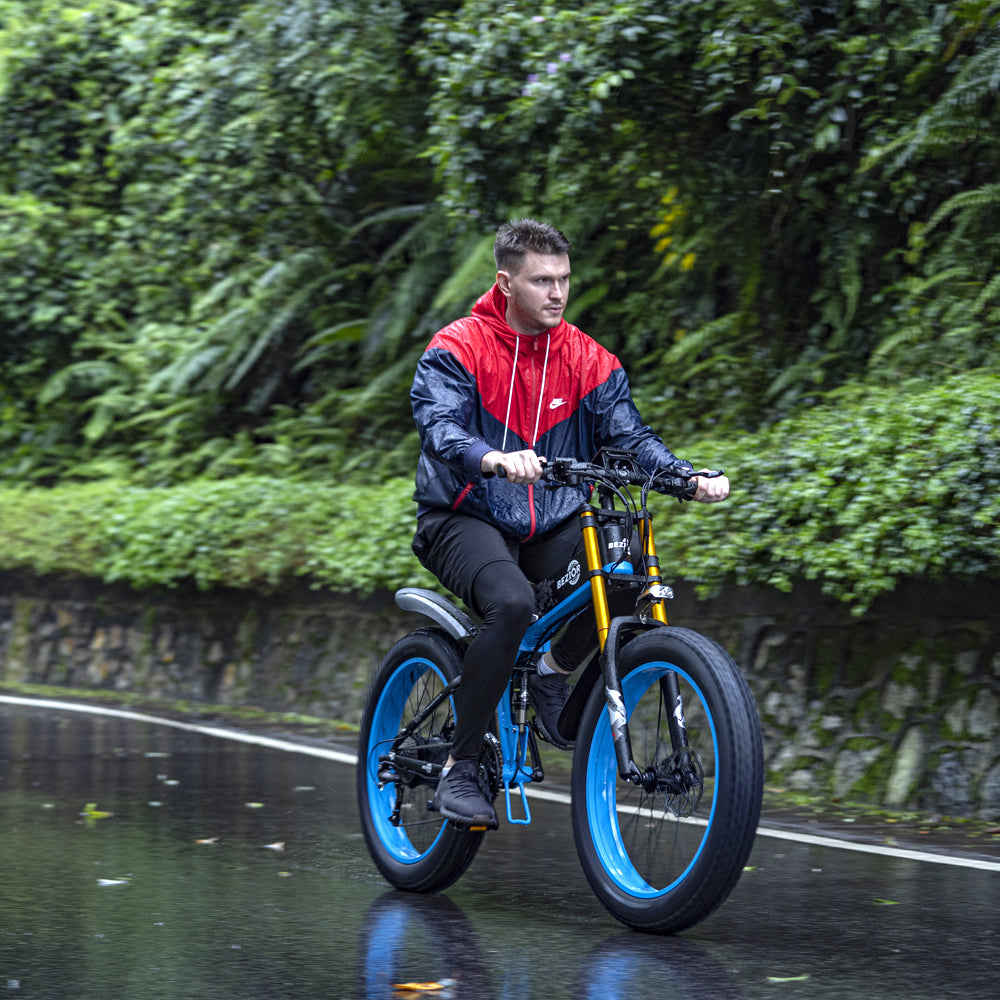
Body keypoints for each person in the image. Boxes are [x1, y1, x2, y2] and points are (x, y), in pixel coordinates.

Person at [409, 218, 729, 828]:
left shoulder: (588, 358)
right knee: (509, 604)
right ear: (506, 283)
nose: (556, 293)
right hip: (464, 512)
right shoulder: (457, 348)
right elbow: (441, 426)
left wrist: (684, 477)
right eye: (541, 282)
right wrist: (492, 457)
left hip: (550, 518)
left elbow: (629, 436)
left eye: (563, 280)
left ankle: (553, 674)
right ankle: (463, 764)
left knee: (624, 570)